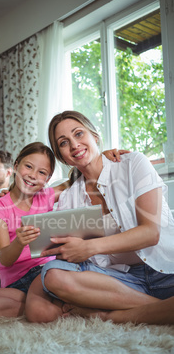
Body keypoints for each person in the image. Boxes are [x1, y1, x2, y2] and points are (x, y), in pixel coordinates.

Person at [25, 110, 174, 325]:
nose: (74, 145)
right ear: (60, 155)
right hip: (121, 282)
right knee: (52, 274)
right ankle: (161, 309)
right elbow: (31, 200)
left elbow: (151, 232)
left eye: (78, 134)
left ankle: (114, 316)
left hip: (165, 268)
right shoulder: (70, 198)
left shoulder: (133, 164)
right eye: (64, 143)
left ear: (94, 136)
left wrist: (90, 247)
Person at [0, 142, 66, 320]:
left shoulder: (45, 196)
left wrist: (105, 156)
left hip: (46, 273)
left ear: (47, 179)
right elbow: (5, 259)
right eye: (28, 166)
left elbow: (75, 179)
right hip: (16, 284)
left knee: (45, 286)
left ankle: (45, 305)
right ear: (16, 166)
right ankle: (52, 305)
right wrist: (19, 242)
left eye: (42, 172)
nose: (33, 175)